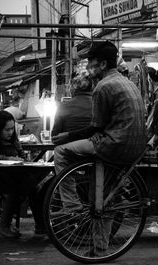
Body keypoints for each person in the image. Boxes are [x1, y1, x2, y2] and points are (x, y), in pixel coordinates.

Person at [52, 41, 146, 252]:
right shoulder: (128, 82)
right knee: (104, 199)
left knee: (61, 152)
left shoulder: (103, 87)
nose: (88, 68)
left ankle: (72, 205)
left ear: (102, 64)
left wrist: (67, 136)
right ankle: (99, 248)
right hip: (135, 149)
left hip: (112, 146)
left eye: (91, 63)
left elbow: (95, 128)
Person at [0, 111, 47, 238]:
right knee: (23, 186)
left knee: (33, 185)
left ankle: (39, 225)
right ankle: (6, 224)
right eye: (6, 129)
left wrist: (24, 161)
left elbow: (21, 154)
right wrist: (7, 159)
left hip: (10, 175)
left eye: (12, 129)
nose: (10, 132)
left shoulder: (13, 137)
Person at [52, 72, 93, 137]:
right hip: (95, 144)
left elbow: (55, 135)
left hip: (68, 144)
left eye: (69, 88)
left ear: (72, 90)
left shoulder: (64, 106)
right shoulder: (98, 105)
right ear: (91, 89)